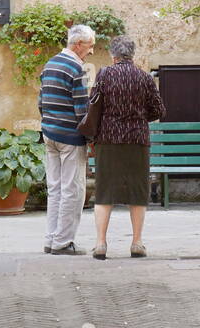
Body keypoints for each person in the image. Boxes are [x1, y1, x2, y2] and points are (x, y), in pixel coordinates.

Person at [90, 35, 165, 259]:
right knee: (137, 193)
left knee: (104, 191)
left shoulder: (104, 75)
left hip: (108, 139)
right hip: (137, 140)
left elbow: (93, 105)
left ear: (113, 55)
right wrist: (140, 117)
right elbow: (159, 110)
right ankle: (137, 243)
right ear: (132, 54)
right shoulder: (144, 77)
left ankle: (101, 244)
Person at [38, 23, 95, 255]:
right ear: (79, 45)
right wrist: (90, 138)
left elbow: (41, 102)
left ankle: (51, 239)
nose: (91, 51)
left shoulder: (49, 64)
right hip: (70, 137)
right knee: (73, 189)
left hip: (50, 133)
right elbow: (82, 110)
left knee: (55, 189)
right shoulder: (77, 69)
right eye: (90, 46)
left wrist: (49, 124)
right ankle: (62, 242)